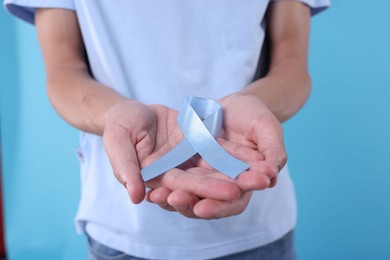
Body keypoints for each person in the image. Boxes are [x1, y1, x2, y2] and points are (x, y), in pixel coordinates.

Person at [4, 0, 329, 259]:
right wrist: (115, 113)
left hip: (261, 225)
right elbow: (63, 70)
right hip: (123, 226)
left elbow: (292, 64)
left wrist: (255, 102)